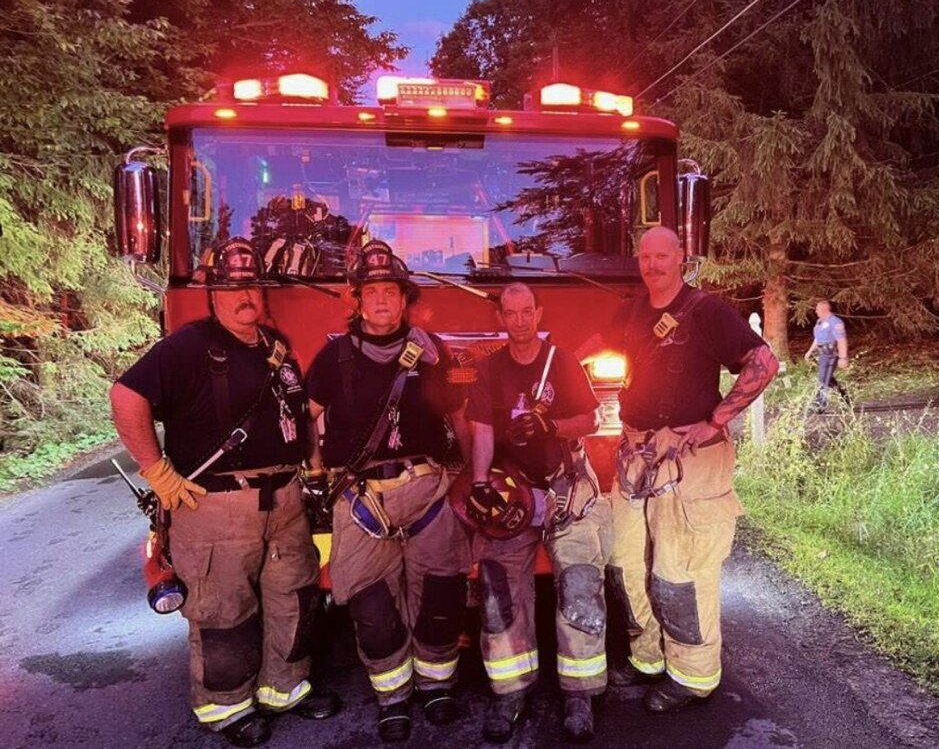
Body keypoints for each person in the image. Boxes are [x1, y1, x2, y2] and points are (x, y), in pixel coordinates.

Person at [109, 238, 340, 748]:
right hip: (216, 507)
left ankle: (286, 689)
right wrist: (158, 472)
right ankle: (227, 709)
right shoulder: (189, 345)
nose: (245, 295)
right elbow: (126, 395)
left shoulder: (276, 349)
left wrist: (315, 468)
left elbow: (300, 418)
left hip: (284, 501)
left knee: (293, 599)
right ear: (214, 292)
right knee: (223, 611)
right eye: (233, 287)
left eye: (253, 286)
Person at [580, 225, 778, 714]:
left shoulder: (706, 311)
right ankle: (647, 656)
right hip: (636, 456)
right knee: (626, 562)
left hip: (688, 461)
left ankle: (693, 675)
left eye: (661, 256)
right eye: (645, 257)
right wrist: (552, 361)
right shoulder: (631, 311)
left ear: (681, 258)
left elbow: (764, 362)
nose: (652, 265)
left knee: (680, 570)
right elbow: (586, 348)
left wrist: (716, 421)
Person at [305, 239, 471, 743]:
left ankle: (437, 686)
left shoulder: (432, 351)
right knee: (372, 609)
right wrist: (316, 474)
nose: (381, 300)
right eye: (371, 291)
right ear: (358, 300)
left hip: (427, 490)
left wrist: (465, 478)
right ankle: (393, 696)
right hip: (362, 500)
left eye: (390, 292)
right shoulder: (333, 358)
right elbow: (306, 418)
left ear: (404, 299)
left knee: (441, 596)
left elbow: (458, 415)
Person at [457, 283, 612, 743]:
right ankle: (511, 691)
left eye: (527, 312)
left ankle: (580, 695)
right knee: (498, 590)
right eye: (511, 313)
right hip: (513, 496)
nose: (520, 321)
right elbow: (481, 432)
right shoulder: (489, 371)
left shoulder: (560, 361)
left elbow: (591, 420)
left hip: (567, 490)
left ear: (537, 314)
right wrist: (481, 484)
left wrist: (551, 425)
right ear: (501, 319)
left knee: (581, 582)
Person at [803, 300, 850, 411]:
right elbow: (818, 338)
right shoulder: (820, 322)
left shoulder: (835, 322)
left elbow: (841, 340)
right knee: (828, 379)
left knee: (823, 379)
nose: (816, 311)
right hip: (822, 354)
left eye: (817, 309)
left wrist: (843, 357)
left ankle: (820, 404)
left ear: (824, 309)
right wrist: (810, 351)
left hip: (831, 355)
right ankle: (845, 398)